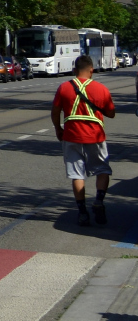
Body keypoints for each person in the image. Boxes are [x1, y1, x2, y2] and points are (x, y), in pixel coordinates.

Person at [51, 55, 116, 226]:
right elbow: (111, 113)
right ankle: (99, 200)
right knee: (102, 169)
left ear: (74, 70)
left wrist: (58, 128)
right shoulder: (101, 89)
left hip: (71, 135)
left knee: (77, 174)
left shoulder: (64, 87)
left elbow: (55, 111)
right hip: (95, 136)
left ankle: (82, 212)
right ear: (91, 70)